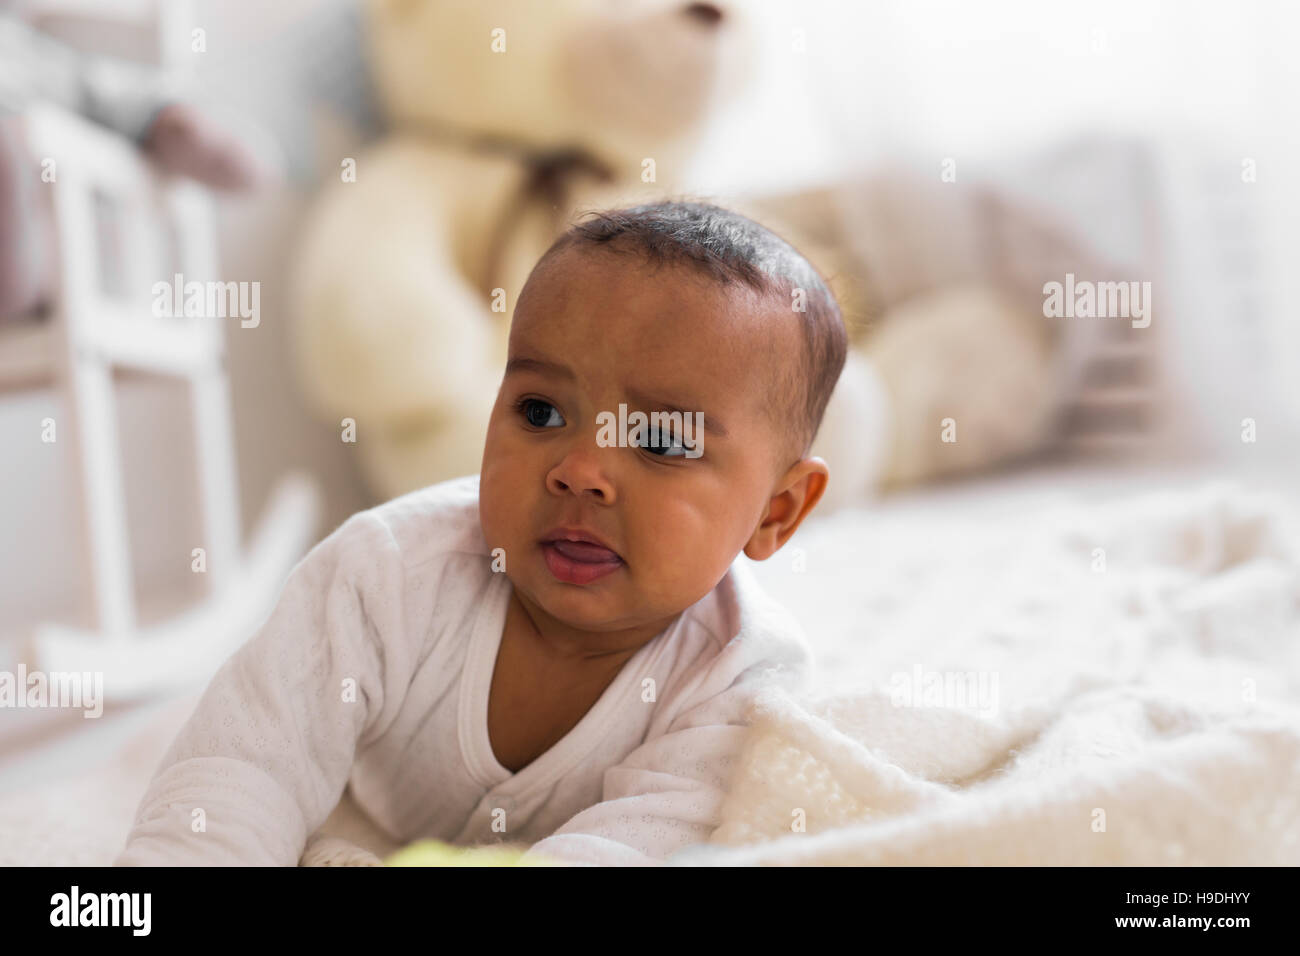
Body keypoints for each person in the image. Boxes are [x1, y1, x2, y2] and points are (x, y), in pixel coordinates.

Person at [115, 199, 848, 866]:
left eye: (660, 438)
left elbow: (638, 847)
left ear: (775, 511)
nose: (581, 470)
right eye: (540, 413)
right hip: (346, 822)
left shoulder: (741, 674)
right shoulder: (384, 574)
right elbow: (245, 765)